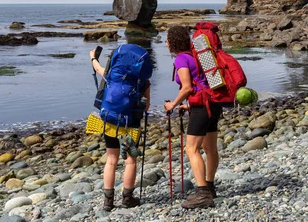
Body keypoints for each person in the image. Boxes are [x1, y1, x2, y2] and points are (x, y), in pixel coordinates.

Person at [163, 25, 220, 209]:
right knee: (210, 148)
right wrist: (188, 105)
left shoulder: (181, 59)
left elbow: (187, 87)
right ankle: (210, 187)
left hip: (202, 108)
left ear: (173, 42)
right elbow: (201, 83)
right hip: (213, 103)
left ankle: (202, 193)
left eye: (167, 40)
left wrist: (174, 103)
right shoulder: (198, 56)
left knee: (191, 149)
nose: (165, 43)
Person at [90, 48, 151, 211]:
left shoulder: (111, 74)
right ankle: (127, 198)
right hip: (129, 124)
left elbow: (97, 68)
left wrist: (93, 58)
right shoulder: (143, 80)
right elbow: (146, 106)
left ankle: (108, 202)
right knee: (130, 160)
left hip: (109, 121)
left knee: (111, 160)